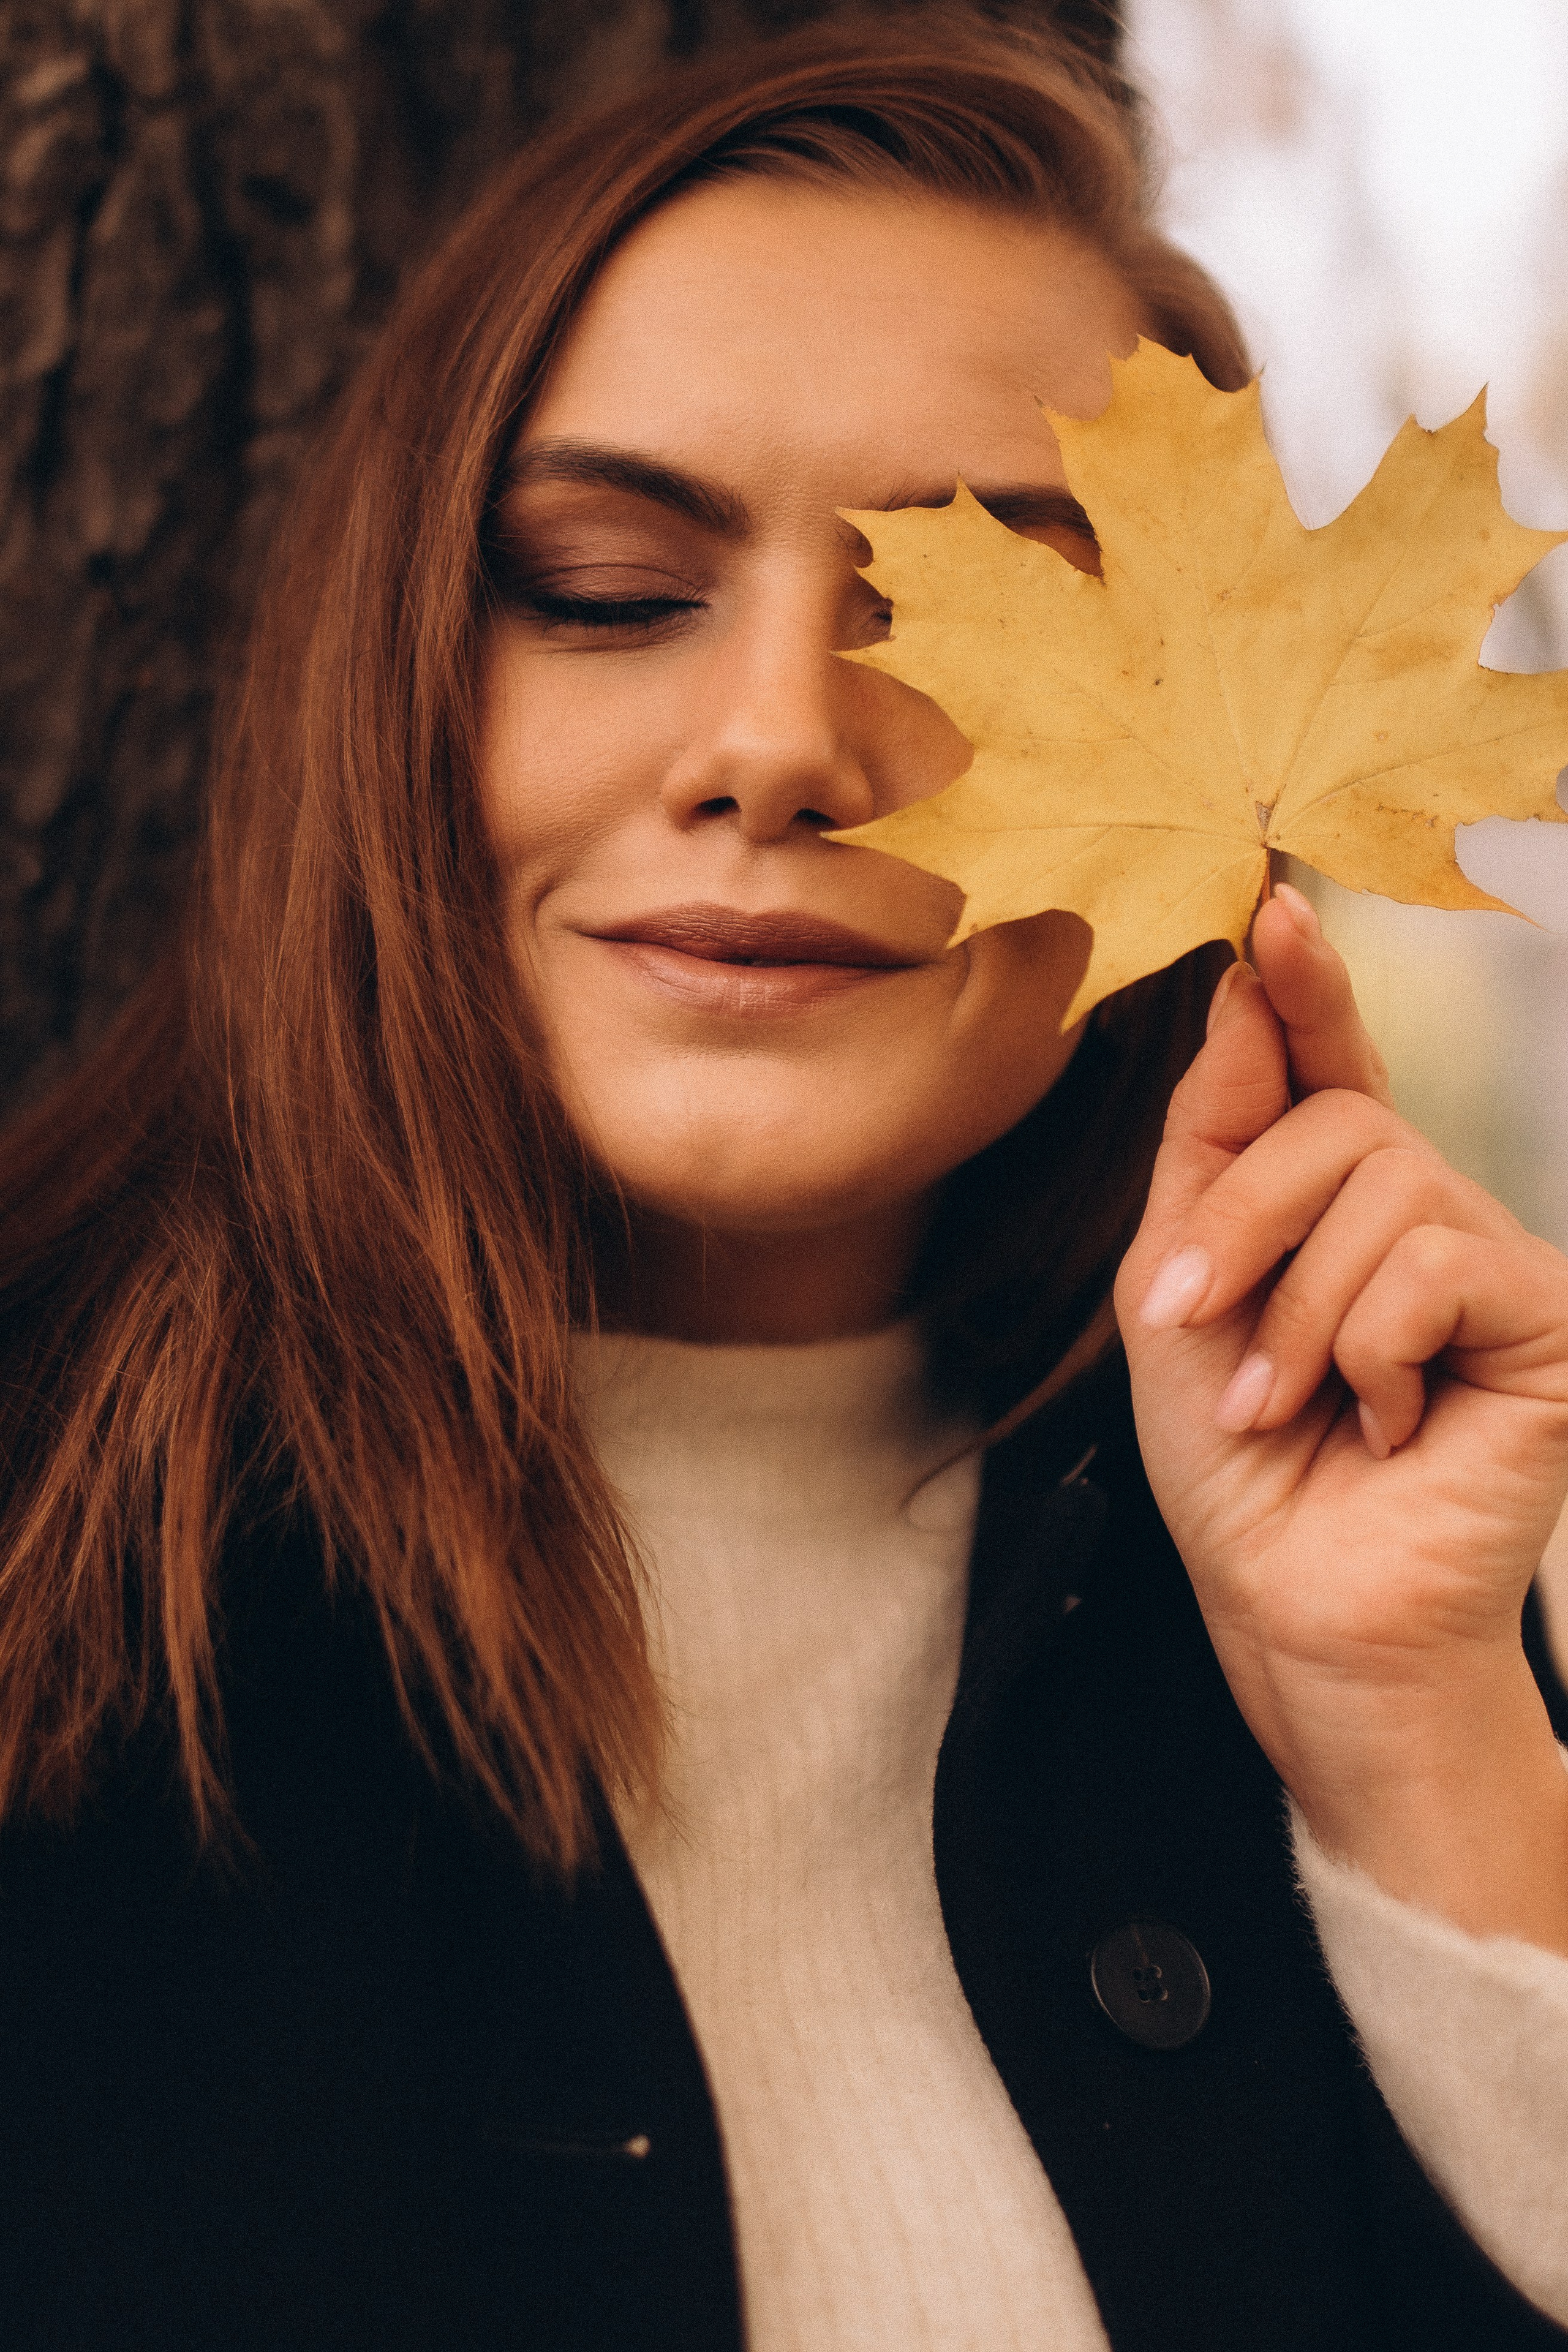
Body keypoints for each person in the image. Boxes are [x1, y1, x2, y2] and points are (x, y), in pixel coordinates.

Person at [2, 14, 1566, 2350]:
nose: (775, 748)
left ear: (1212, 761)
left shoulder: (1338, 1600)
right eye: (610, 587)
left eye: (965, 624)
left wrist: (1425, 1747)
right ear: (390, 675)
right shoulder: (60, 1533)